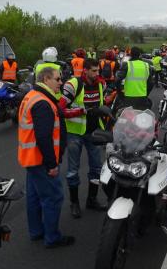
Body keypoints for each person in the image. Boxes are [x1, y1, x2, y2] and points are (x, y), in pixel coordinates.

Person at [18, 66, 74, 248]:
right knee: (53, 197)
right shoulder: (43, 103)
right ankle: (52, 237)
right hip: (41, 161)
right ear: (46, 79)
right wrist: (52, 164)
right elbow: (44, 137)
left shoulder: (33, 95)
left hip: (31, 159)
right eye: (58, 79)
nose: (61, 83)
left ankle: (36, 232)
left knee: (34, 197)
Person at [59, 58, 109, 218]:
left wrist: (107, 105)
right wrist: (83, 111)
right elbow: (60, 109)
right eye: (94, 71)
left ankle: (92, 200)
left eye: (98, 71)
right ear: (85, 70)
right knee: (73, 170)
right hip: (75, 133)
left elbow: (101, 103)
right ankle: (74, 203)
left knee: (96, 168)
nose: (97, 74)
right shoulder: (72, 84)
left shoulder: (101, 84)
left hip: (94, 132)